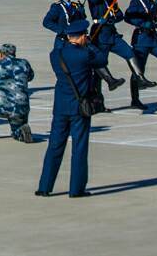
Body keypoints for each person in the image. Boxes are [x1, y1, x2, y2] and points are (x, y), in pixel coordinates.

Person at [36, 16, 106, 198]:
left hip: (60, 106)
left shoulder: (55, 55)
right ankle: (76, 189)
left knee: (54, 147)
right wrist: (90, 44)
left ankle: (44, 186)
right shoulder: (85, 54)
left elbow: (61, 50)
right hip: (79, 108)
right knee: (79, 148)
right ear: (82, 36)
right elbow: (102, 59)